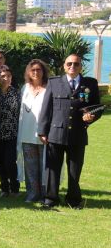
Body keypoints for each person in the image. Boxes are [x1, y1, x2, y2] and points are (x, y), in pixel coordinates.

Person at [38, 54, 100, 209]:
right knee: (53, 169)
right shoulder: (54, 82)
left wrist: (92, 116)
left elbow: (97, 107)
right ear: (64, 66)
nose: (73, 66)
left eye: (76, 64)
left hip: (77, 133)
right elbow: (46, 108)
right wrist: (42, 131)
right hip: (56, 133)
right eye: (69, 64)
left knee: (74, 170)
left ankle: (73, 199)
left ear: (81, 66)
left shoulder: (90, 84)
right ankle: (51, 198)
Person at [17, 59, 49, 203]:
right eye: (33, 70)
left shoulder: (49, 88)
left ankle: (44, 195)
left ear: (43, 72)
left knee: (44, 167)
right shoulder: (25, 88)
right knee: (30, 167)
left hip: (43, 135)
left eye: (39, 70)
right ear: (28, 72)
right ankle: (32, 194)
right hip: (26, 134)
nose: (36, 72)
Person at [0, 65, 21, 197]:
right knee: (0, 163)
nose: (6, 79)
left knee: (10, 162)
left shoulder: (17, 93)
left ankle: (15, 188)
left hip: (12, 133)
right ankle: (4, 188)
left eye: (9, 76)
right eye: (3, 76)